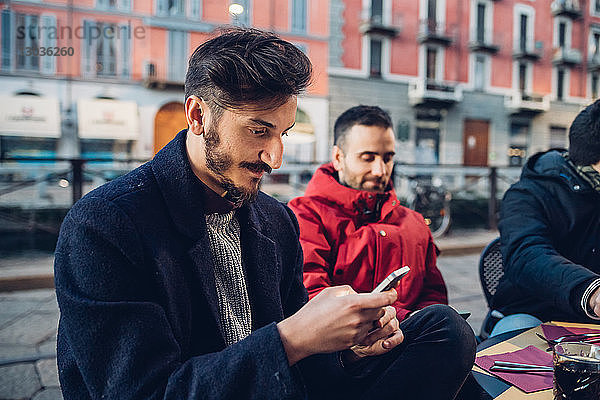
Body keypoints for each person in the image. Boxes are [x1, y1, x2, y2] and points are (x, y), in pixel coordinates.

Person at [54, 28, 475, 399]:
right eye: (259, 130)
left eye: (283, 133)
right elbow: (145, 392)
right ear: (198, 115)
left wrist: (346, 344)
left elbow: (305, 369)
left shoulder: (276, 220)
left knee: (445, 329)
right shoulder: (104, 226)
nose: (275, 157)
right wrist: (292, 340)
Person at [288, 105, 448, 321]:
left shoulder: (415, 222)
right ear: (338, 157)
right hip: (340, 349)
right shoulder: (305, 215)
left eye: (388, 158)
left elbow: (434, 294)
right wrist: (404, 320)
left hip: (416, 344)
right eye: (368, 157)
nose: (380, 170)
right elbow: (312, 298)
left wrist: (422, 323)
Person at [490, 99, 600, 335]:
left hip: (591, 323)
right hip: (531, 314)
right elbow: (527, 254)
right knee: (515, 333)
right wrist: (591, 291)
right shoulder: (526, 194)